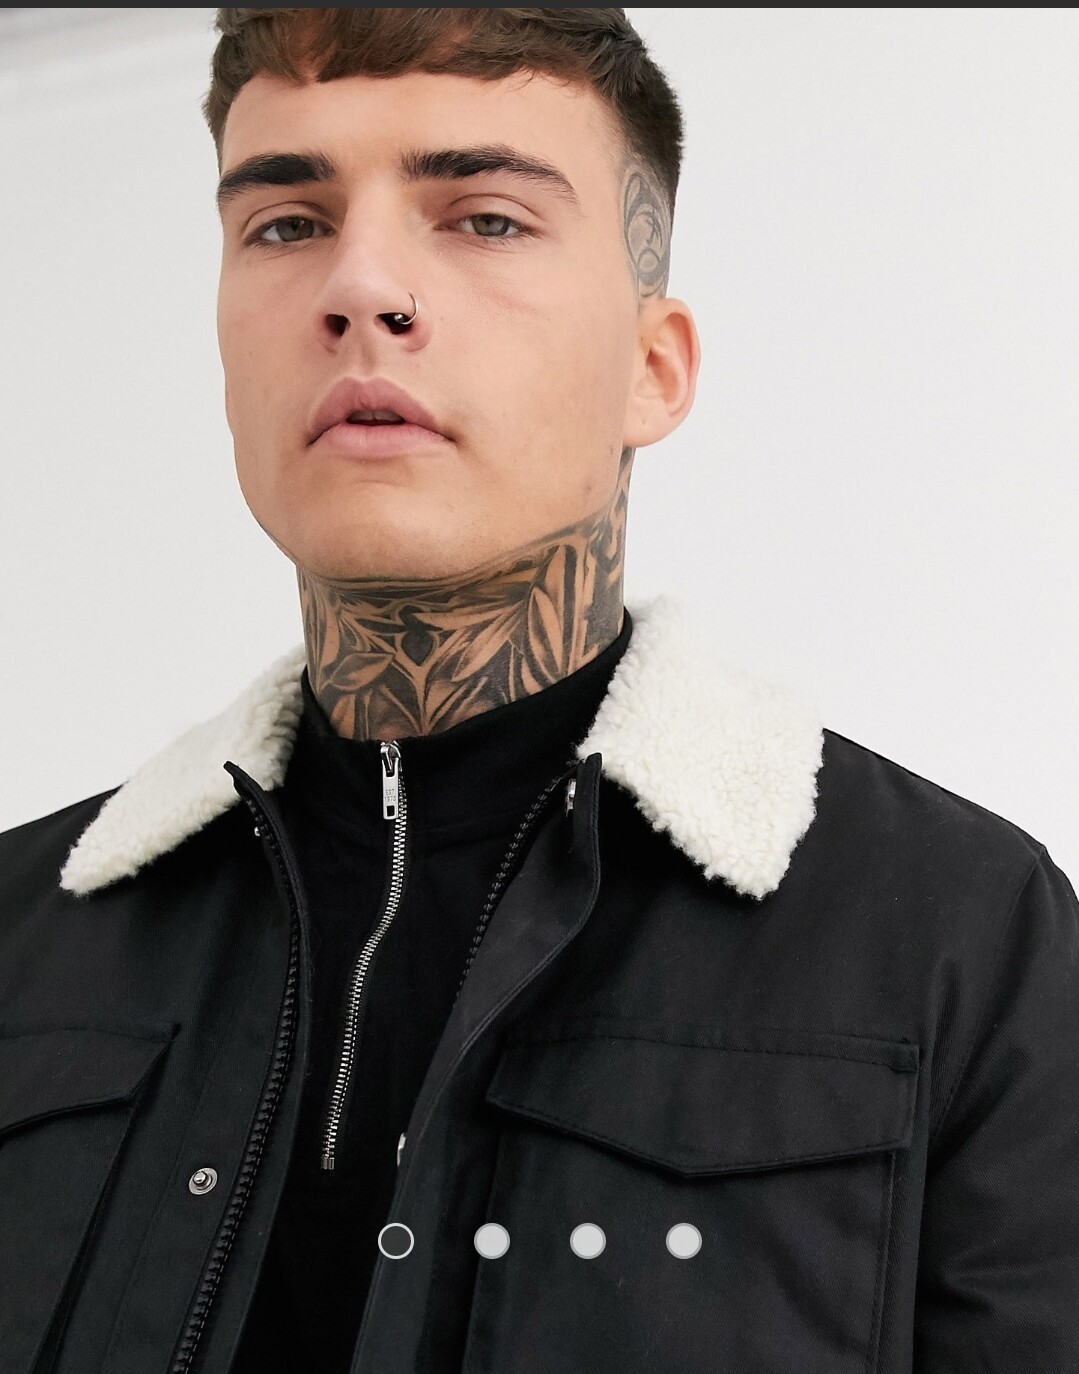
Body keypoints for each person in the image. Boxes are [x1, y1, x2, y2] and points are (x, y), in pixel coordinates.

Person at [1, 8, 1076, 1373]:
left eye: (486, 218)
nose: (362, 287)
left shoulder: (958, 940)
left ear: (652, 368)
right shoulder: (18, 944)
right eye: (286, 224)